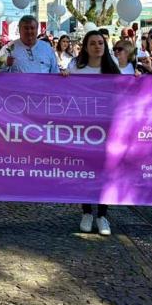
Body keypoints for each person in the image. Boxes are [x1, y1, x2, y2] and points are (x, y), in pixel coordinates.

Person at [65, 31, 121, 236]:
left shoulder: (113, 70)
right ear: (85, 47)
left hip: (108, 128)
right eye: (93, 43)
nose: (97, 46)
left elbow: (125, 94)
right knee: (85, 170)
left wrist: (137, 80)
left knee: (105, 171)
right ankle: (87, 212)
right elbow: (66, 92)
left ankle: (102, 215)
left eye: (100, 43)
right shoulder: (76, 69)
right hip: (84, 128)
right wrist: (63, 78)